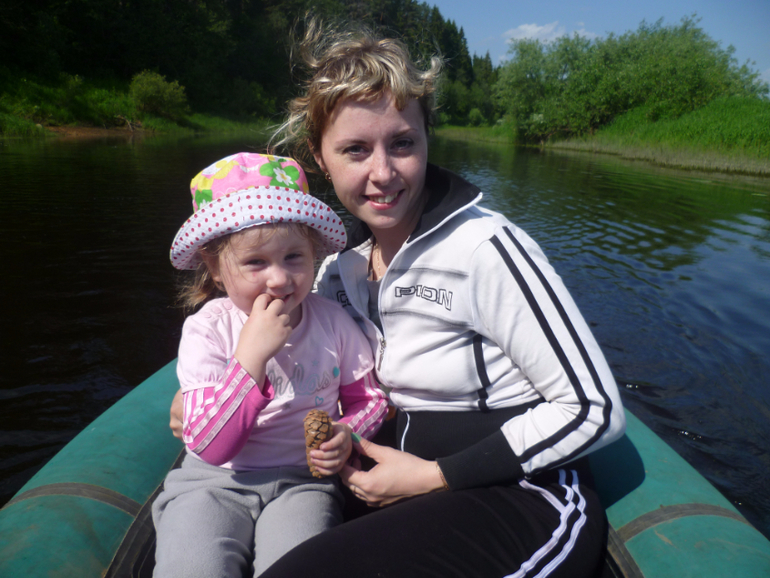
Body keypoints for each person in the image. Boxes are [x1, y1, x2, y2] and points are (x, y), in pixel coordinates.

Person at [170, 20, 626, 578]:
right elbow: (329, 374)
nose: (382, 173)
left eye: (403, 143)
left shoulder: (485, 249)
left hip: (514, 490)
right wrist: (209, 394)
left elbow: (594, 409)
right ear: (320, 157)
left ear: (428, 139)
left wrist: (434, 477)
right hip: (390, 474)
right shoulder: (335, 272)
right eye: (355, 149)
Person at [153, 152, 388, 578]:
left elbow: (369, 399)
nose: (279, 279)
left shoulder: (333, 322)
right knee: (192, 566)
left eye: (294, 257)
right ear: (216, 268)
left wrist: (347, 433)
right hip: (214, 480)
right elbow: (209, 444)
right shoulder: (208, 330)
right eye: (255, 262)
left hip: (304, 483)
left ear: (313, 252)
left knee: (296, 565)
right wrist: (251, 357)